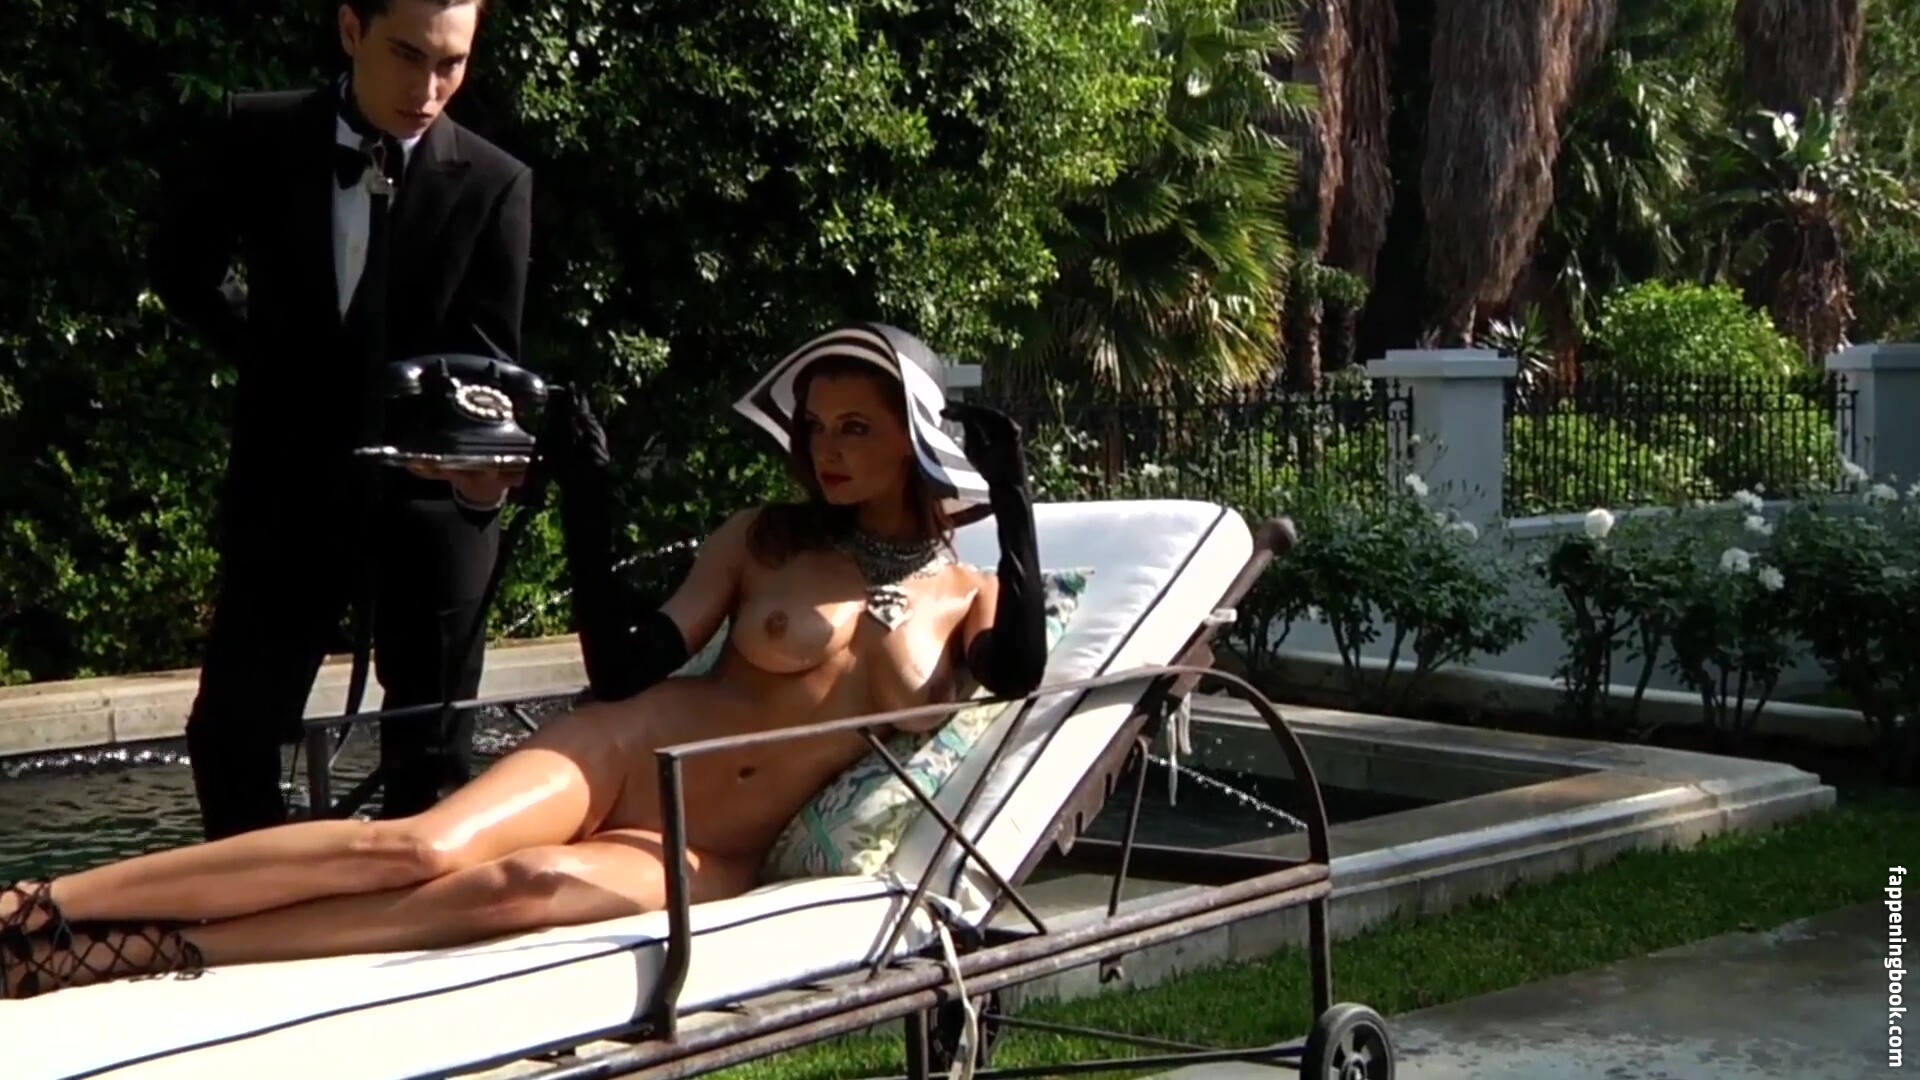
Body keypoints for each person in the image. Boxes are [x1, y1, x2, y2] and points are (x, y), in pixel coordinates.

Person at [0, 324, 1047, 1001]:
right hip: (626, 751)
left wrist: (1015, 506)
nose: (826, 449)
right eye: (816, 427)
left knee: (522, 885)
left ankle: (132, 953)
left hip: (714, 849)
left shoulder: (972, 595)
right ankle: (40, 907)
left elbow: (1017, 673)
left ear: (914, 437)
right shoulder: (764, 538)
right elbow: (625, 667)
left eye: (857, 427)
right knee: (415, 849)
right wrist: (590, 506)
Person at [147, 0, 535, 840]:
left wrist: (480, 464)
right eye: (407, 54)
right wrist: (272, 355)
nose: (427, 90)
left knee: (431, 756)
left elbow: (488, 363)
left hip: (430, 501)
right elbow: (181, 268)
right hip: (287, 479)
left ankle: (405, 916)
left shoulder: (497, 180)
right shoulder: (257, 132)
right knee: (232, 736)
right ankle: (259, 902)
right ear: (351, 29)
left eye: (451, 64)